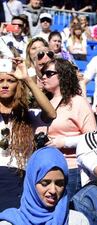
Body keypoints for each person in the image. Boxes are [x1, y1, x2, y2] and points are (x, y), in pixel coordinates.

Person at [0, 56, 56, 212]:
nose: (5, 85)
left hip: (18, 179)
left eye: (10, 81)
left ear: (17, 85)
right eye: (0, 81)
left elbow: (51, 114)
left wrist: (27, 79)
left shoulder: (28, 115)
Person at [36, 58, 97, 198]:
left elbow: (93, 137)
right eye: (42, 74)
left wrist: (63, 142)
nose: (44, 77)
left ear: (62, 75)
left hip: (70, 168)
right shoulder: (43, 102)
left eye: (49, 73)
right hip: (45, 168)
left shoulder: (78, 102)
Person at [0, 147, 89, 225]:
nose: (53, 190)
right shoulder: (10, 222)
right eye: (45, 183)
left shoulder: (77, 221)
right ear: (31, 185)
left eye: (59, 184)